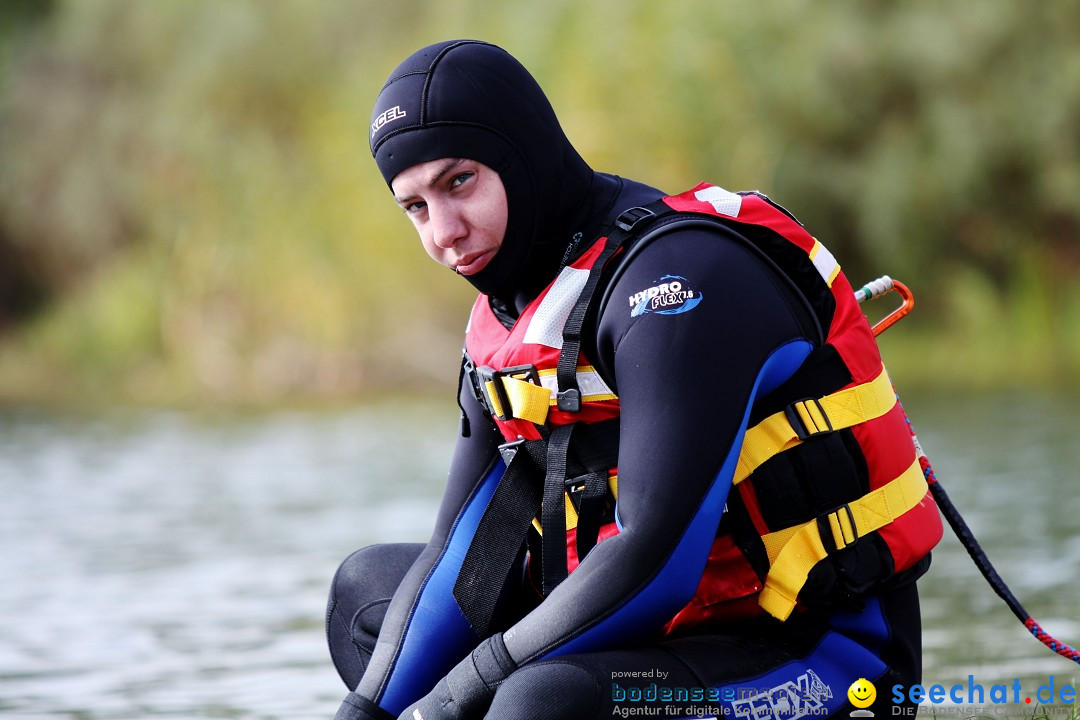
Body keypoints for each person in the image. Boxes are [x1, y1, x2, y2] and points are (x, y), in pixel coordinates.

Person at [327, 39, 944, 720]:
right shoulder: (512, 322)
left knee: (538, 703)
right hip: (662, 639)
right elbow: (460, 565)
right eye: (414, 207)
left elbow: (655, 563)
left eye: (459, 182)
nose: (444, 232)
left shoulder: (675, 281)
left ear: (522, 155)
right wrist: (370, 713)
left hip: (827, 660)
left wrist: (447, 701)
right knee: (370, 599)